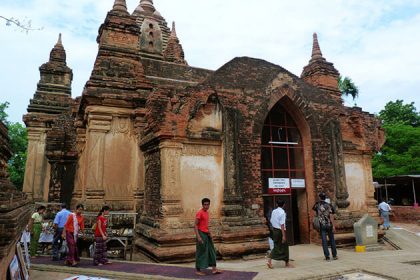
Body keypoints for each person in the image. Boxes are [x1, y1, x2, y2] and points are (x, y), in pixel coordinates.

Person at [194, 198, 222, 276]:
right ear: (202, 205)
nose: (206, 206)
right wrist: (198, 237)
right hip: (201, 234)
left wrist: (209, 233)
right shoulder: (200, 213)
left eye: (207, 204)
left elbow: (205, 225)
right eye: (205, 204)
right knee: (201, 252)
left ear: (209, 205)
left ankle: (214, 269)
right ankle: (198, 270)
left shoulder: (207, 213)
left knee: (212, 251)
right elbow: (195, 225)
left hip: (206, 234)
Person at [267, 200, 293, 269]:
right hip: (280, 231)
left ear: (276, 204)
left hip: (275, 230)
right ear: (284, 205)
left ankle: (285, 262)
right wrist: (283, 236)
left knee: (277, 245)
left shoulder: (274, 211)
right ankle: (286, 263)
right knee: (283, 246)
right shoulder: (282, 212)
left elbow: (271, 220)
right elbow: (282, 224)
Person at [313, 192, 337, 261]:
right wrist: (333, 226)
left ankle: (327, 256)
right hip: (329, 224)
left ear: (320, 197)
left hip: (322, 225)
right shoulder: (329, 205)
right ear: (325, 197)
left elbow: (316, 213)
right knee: (332, 239)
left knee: (324, 241)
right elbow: (331, 216)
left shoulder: (317, 205)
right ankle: (334, 255)